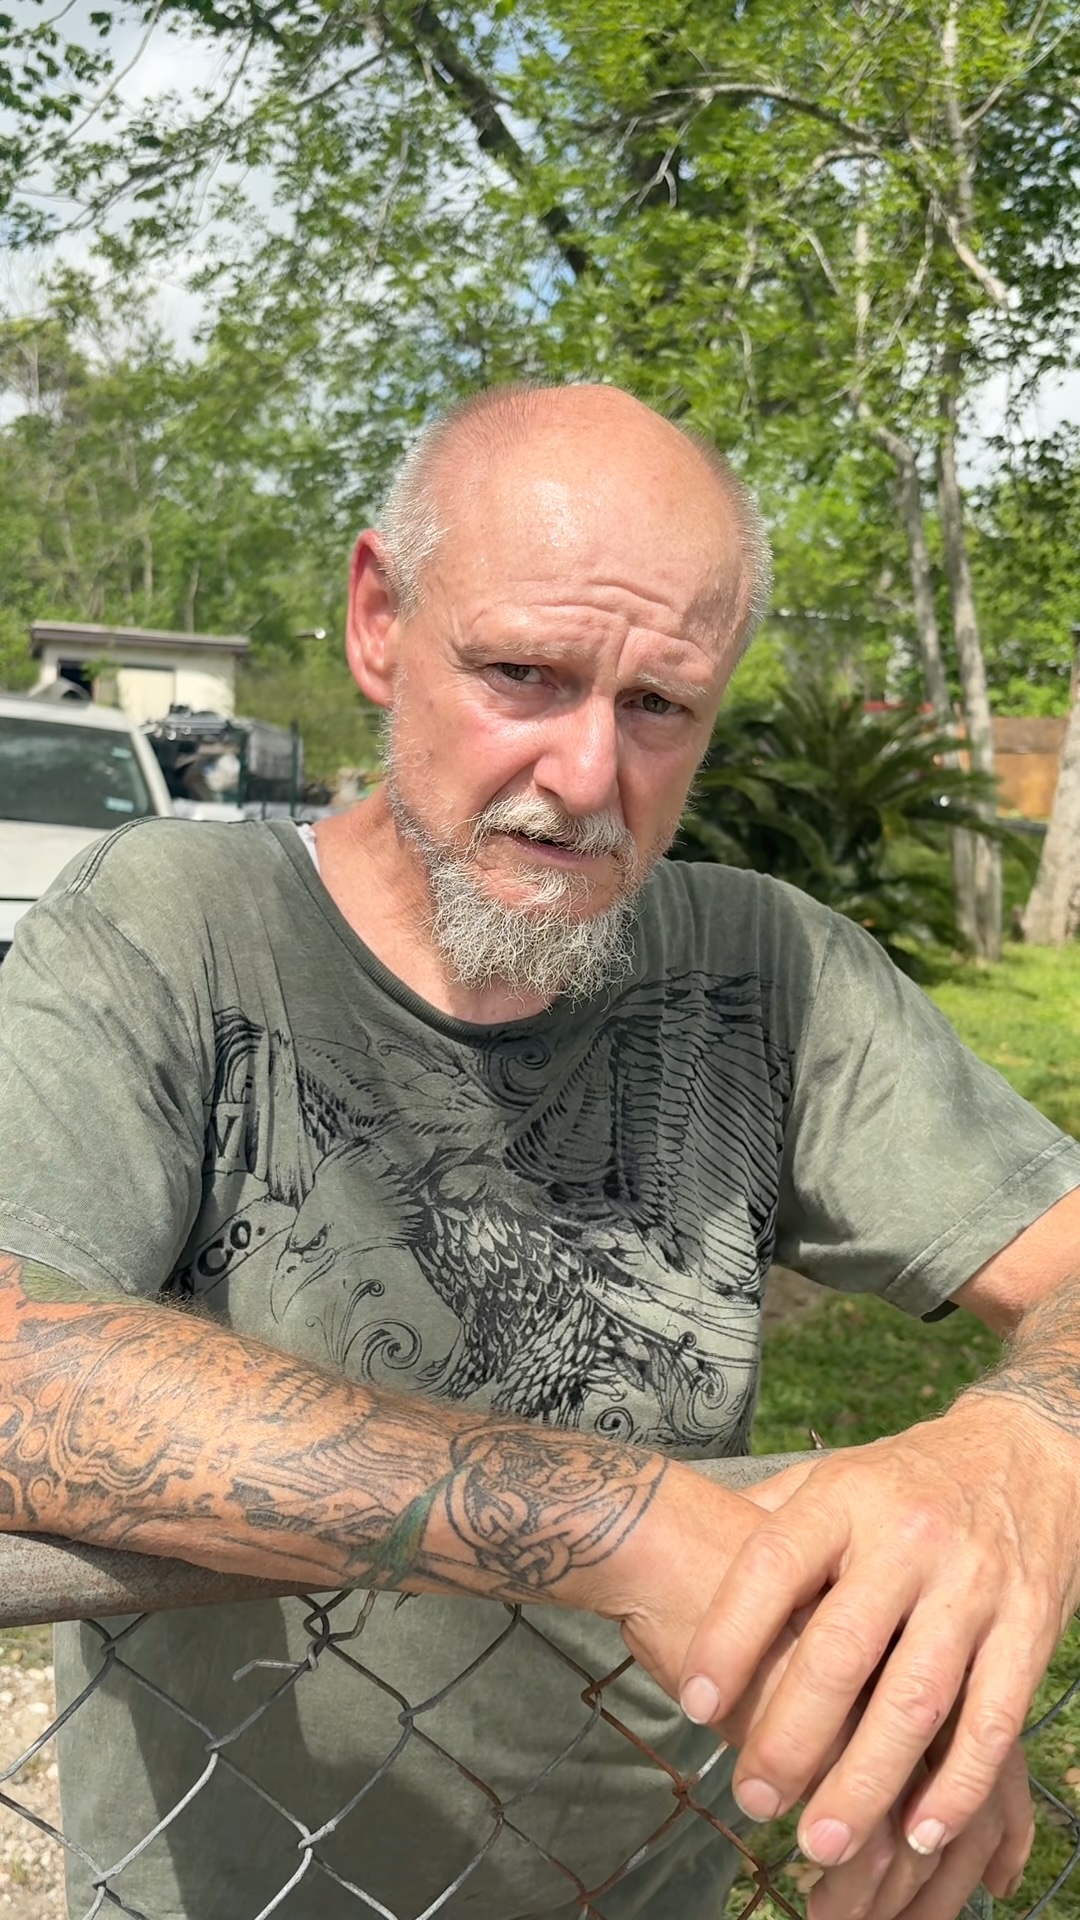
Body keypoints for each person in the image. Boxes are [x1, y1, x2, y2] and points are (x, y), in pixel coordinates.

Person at [1, 381, 1078, 1920]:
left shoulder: (767, 974)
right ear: (380, 617)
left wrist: (1019, 1460)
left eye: (659, 706)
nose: (587, 774)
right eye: (521, 673)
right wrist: (626, 1528)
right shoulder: (169, 930)